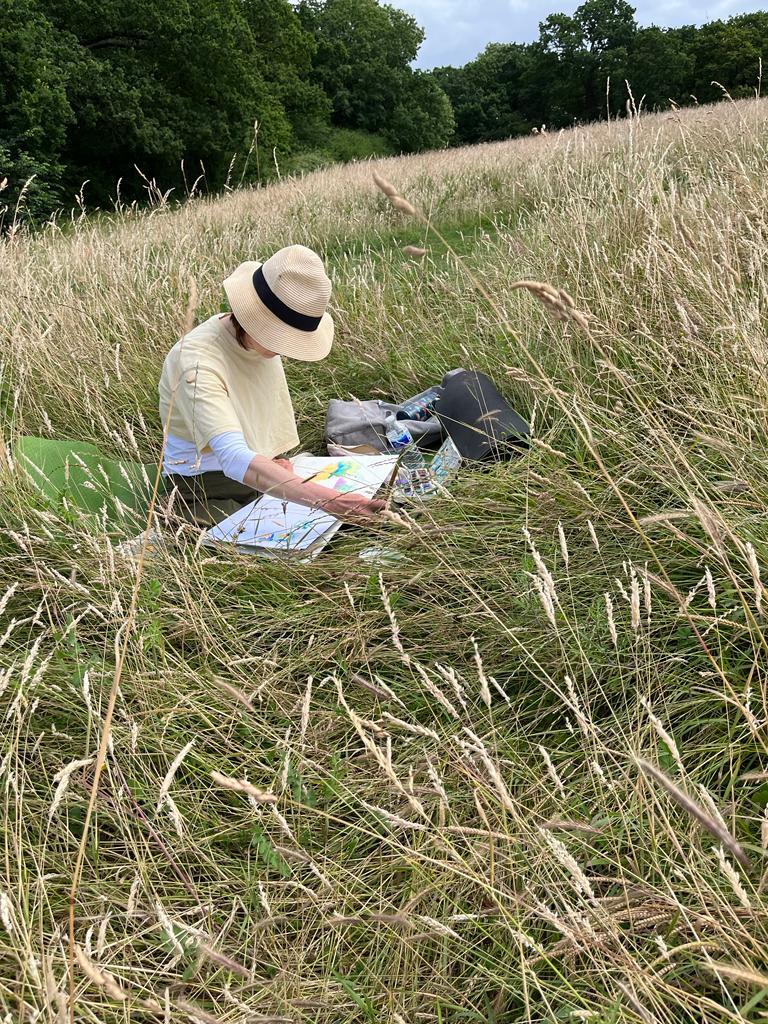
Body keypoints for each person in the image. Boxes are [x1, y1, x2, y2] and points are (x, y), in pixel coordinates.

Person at [158, 245, 385, 526]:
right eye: (278, 337)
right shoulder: (196, 361)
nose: (283, 349)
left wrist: (274, 459)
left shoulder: (256, 343)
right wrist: (331, 502)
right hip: (202, 482)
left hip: (257, 465)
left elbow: (255, 409)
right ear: (252, 317)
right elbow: (233, 457)